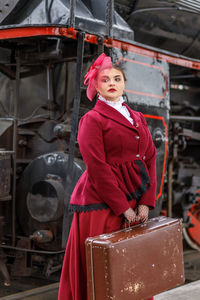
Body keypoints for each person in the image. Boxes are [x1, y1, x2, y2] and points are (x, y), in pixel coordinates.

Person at [58, 53, 156, 300]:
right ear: (95, 86)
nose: (112, 83)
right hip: (103, 204)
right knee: (104, 275)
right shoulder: (92, 119)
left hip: (134, 201)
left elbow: (150, 158)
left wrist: (145, 202)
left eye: (117, 78)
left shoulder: (138, 117)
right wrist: (124, 209)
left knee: (131, 270)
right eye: (105, 79)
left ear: (124, 83)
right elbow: (98, 168)